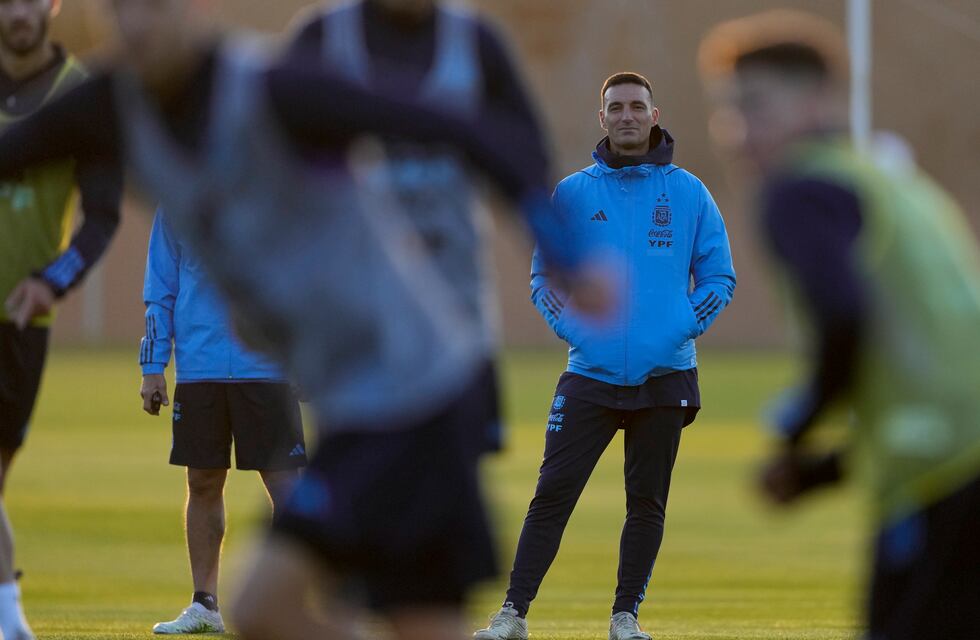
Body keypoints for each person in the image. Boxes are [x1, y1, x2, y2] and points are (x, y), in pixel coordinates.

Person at [0, 1, 609, 638]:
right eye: (121, 8)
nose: (137, 25)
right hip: (353, 408)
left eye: (156, 6)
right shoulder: (106, 105)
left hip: (419, 388)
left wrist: (566, 252)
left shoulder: (273, 90)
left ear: (194, 10)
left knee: (288, 605)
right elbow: (15, 152)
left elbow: (461, 129)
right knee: (295, 610)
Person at [698, 10, 980, 640]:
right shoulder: (894, 185)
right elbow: (927, 373)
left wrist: (798, 428)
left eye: (759, 107)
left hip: (948, 482)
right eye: (729, 112)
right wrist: (823, 469)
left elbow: (845, 317)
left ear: (818, 102)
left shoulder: (801, 190)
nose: (741, 132)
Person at [476, 71, 736, 640]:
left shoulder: (689, 192)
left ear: (654, 114)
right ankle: (512, 615)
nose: (626, 115)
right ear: (602, 118)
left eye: (636, 106)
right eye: (615, 107)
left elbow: (719, 274)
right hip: (588, 372)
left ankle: (624, 618)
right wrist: (575, 329)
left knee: (646, 503)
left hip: (667, 374)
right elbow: (545, 274)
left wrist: (681, 326)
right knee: (551, 495)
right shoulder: (572, 193)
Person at [286, 0, 550, 454]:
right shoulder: (324, 38)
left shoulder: (475, 44)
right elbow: (276, 155)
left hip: (453, 298)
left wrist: (561, 247)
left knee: (455, 461)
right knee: (361, 459)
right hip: (357, 303)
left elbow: (525, 159)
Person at [0, 0, 121, 637]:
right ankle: (9, 618)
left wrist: (54, 281)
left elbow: (102, 217)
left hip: (23, 323)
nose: (17, 11)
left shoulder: (81, 97)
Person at [138, 210, 306, 634]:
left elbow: (306, 274)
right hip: (200, 367)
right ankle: (204, 604)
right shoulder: (175, 199)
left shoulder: (272, 186)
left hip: (267, 365)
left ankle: (297, 600)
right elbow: (161, 288)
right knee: (203, 481)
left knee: (287, 485)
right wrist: (152, 366)